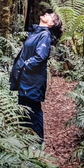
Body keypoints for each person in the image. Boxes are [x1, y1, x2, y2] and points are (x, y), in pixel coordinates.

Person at [9, 12, 63, 141]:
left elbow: (40, 57)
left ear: (51, 24)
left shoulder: (44, 35)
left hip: (32, 80)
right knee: (23, 109)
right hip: (25, 78)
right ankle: (25, 140)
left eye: (50, 15)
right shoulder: (36, 32)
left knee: (33, 110)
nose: (46, 13)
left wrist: (24, 66)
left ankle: (37, 142)